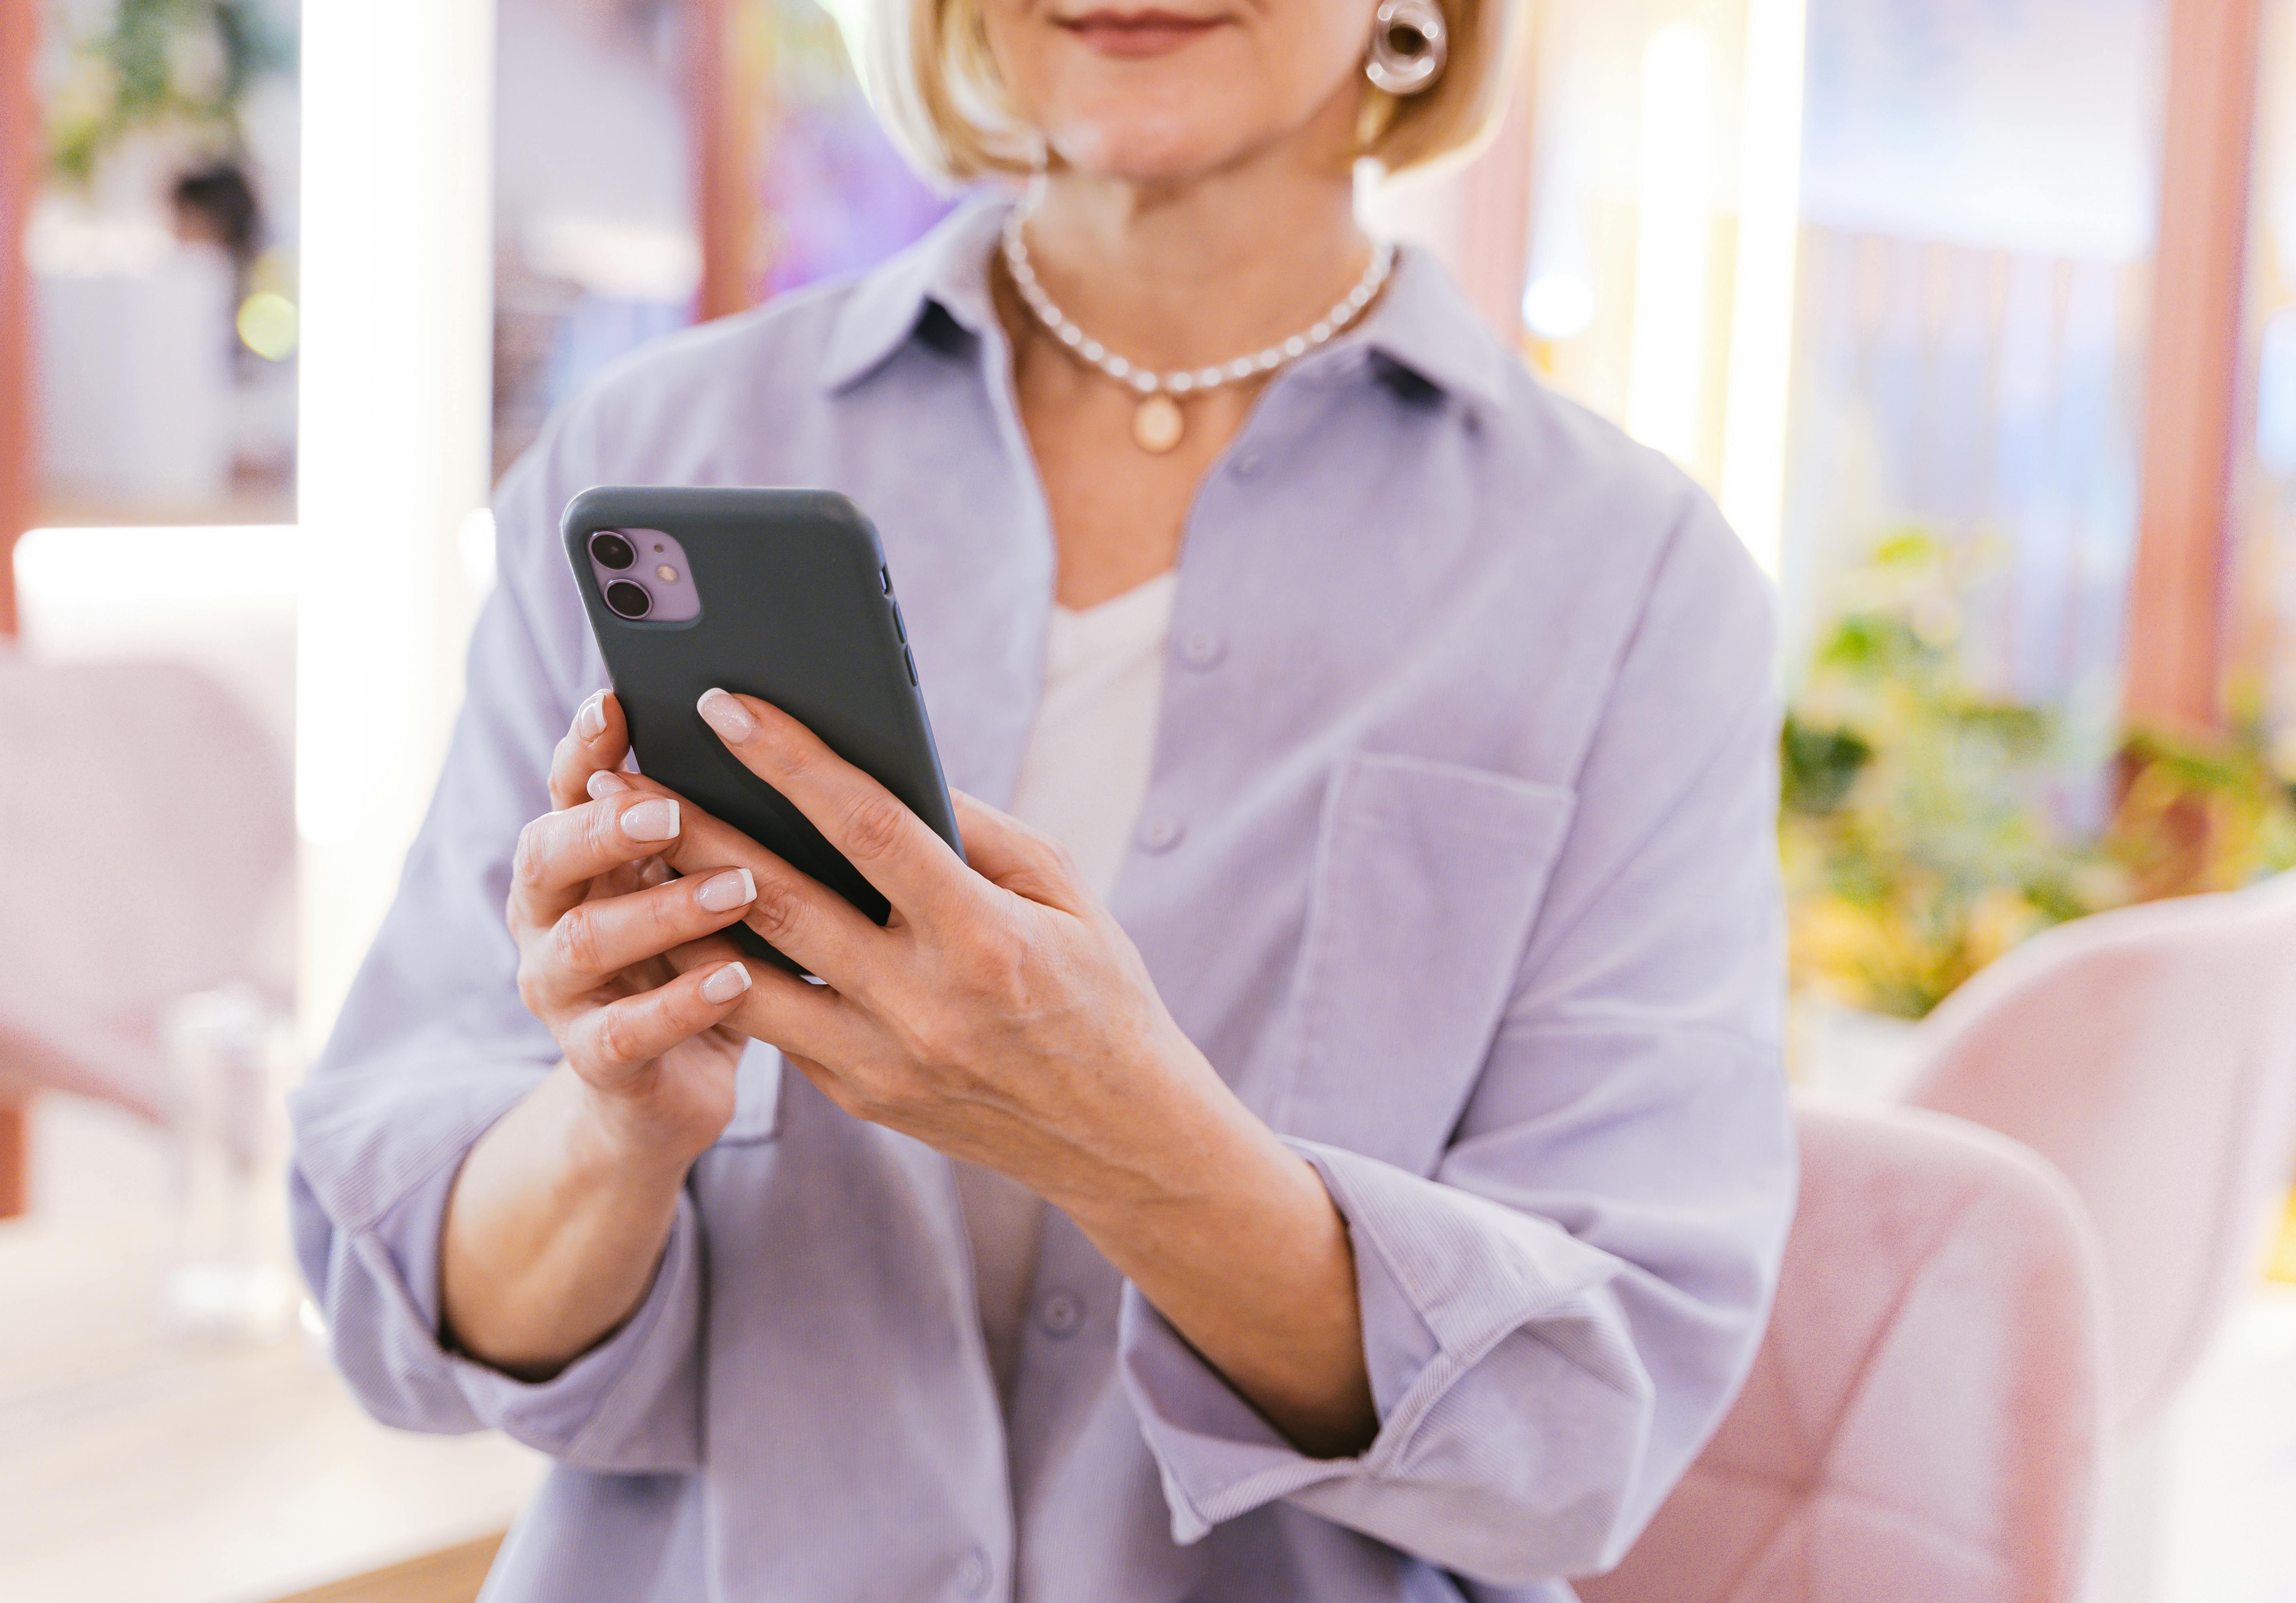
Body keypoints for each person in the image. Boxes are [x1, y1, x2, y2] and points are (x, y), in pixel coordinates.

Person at [288, 0, 1796, 1596]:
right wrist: (614, 1122)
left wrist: (1128, 1140)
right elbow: (401, 1317)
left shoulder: (1632, 579)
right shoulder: (661, 448)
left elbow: (1588, 1432)